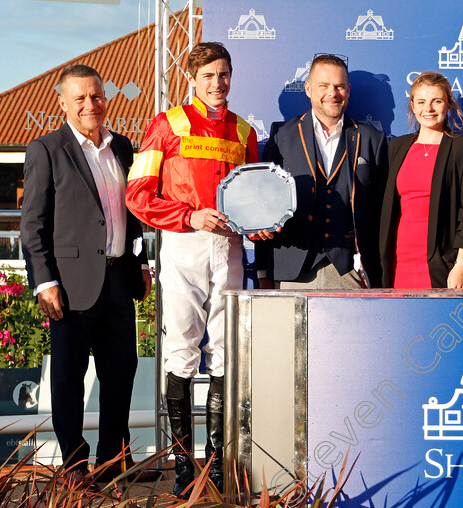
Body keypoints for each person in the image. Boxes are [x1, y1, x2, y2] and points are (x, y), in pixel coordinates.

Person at [126, 42, 259, 496]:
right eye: (208, 76)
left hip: (230, 247)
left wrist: (259, 224)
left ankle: (218, 465)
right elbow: (137, 195)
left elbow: (254, 198)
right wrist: (189, 216)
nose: (217, 84)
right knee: (182, 350)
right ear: (191, 79)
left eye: (223, 75)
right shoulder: (166, 124)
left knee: (225, 353)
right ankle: (185, 467)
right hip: (183, 244)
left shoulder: (244, 131)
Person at [20, 64, 159, 488]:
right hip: (69, 285)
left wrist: (139, 262)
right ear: (62, 102)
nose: (89, 104)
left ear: (106, 97)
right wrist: (45, 282)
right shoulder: (46, 149)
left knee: (122, 372)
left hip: (118, 279)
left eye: (96, 96)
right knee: (68, 378)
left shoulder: (123, 148)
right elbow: (32, 224)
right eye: (78, 97)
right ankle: (76, 467)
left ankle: (113, 463)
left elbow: (130, 214)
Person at [257, 54, 388, 289]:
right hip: (292, 268)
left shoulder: (372, 139)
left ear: (348, 89)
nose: (332, 93)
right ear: (308, 89)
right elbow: (264, 204)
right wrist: (263, 270)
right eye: (324, 86)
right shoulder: (282, 136)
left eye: (339, 86)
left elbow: (381, 212)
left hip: (349, 270)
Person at [379, 72, 463, 288]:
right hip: (398, 262)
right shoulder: (397, 147)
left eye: (436, 101)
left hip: (443, 263)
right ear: (412, 105)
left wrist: (461, 265)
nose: (428, 109)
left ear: (449, 105)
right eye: (421, 101)